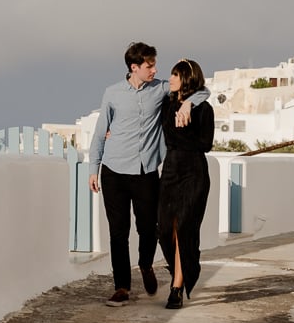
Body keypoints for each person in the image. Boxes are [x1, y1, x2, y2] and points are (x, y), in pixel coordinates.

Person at [88, 42, 209, 307]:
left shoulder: (161, 89)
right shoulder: (112, 93)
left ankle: (145, 265)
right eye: (149, 66)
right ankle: (121, 287)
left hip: (146, 172)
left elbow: (203, 89)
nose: (155, 70)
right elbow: (100, 133)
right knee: (118, 232)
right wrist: (92, 169)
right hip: (113, 171)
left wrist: (188, 103)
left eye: (154, 64)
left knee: (147, 228)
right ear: (134, 68)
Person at [158, 58, 214, 309]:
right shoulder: (167, 104)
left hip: (194, 172)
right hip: (170, 171)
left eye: (175, 75)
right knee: (164, 230)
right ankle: (185, 269)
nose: (170, 79)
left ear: (186, 80)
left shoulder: (204, 109)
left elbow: (206, 143)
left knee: (184, 228)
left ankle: (177, 286)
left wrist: (190, 106)